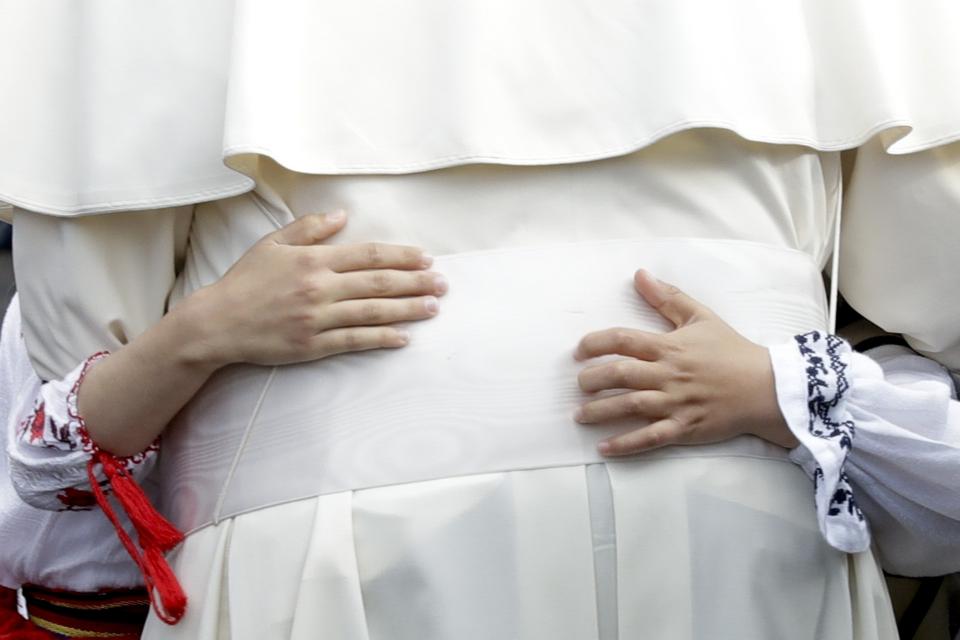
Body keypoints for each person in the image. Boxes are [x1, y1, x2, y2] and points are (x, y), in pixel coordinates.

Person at [2, 1, 960, 638]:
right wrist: (207, 331)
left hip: (736, 537)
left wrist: (789, 389)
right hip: (352, 557)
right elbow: (64, 439)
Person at [0, 216, 444, 637]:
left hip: (356, 587)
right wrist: (201, 331)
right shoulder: (79, 261)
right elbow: (47, 469)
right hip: (82, 619)